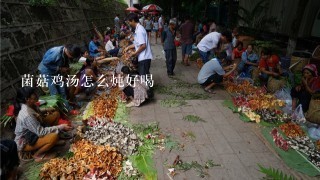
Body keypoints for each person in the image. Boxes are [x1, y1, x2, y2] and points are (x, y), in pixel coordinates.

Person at [14, 87, 72, 162]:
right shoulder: (26, 115)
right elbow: (41, 132)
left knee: (56, 114)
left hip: (34, 132)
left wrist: (46, 109)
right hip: (27, 140)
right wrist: (60, 127)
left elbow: (37, 112)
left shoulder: (29, 104)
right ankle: (37, 155)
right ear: (27, 99)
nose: (36, 95)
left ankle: (52, 142)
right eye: (33, 94)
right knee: (53, 137)